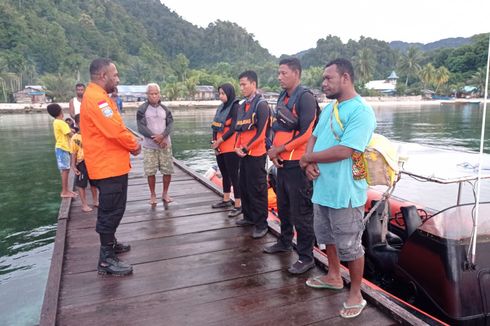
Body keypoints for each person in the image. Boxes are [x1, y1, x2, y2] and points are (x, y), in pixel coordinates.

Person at [299, 58, 376, 319]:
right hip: (323, 187)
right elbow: (314, 137)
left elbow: (346, 150)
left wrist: (309, 159)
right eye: (323, 78)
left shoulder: (361, 112)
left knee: (351, 245)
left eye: (328, 78)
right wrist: (307, 160)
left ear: (345, 78)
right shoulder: (331, 108)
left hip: (346, 191)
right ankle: (333, 276)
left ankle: (356, 293)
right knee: (327, 236)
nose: (324, 83)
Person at [80, 58, 141, 276]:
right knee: (110, 211)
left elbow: (114, 127)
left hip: (110, 165)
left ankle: (111, 243)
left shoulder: (98, 97)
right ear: (103, 76)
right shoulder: (97, 100)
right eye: (115, 75)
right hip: (107, 167)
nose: (118, 78)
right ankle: (106, 260)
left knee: (115, 207)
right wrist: (134, 145)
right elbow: (115, 130)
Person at [264, 57, 317, 274]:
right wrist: (272, 150)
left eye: (283, 73)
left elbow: (306, 134)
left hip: (298, 165)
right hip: (281, 164)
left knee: (301, 212)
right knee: (284, 207)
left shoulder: (305, 98)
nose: (279, 77)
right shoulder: (281, 97)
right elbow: (274, 127)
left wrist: (280, 149)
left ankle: (306, 257)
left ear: (296, 73)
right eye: (279, 73)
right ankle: (285, 242)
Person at [234, 70, 270, 239]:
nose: (241, 87)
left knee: (257, 188)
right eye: (240, 84)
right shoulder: (242, 105)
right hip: (242, 153)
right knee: (244, 186)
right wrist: (237, 147)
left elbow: (261, 133)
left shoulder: (261, 105)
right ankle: (248, 217)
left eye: (244, 84)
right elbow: (239, 131)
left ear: (254, 84)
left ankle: (261, 224)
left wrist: (246, 149)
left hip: (256, 154)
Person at [136, 83, 174, 205]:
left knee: (167, 171)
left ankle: (165, 193)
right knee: (150, 172)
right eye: (151, 94)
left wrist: (162, 136)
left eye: (156, 93)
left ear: (159, 94)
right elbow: (141, 127)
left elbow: (170, 124)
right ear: (147, 95)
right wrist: (155, 138)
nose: (154, 96)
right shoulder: (142, 109)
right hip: (149, 146)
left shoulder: (165, 109)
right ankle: (152, 194)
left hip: (165, 145)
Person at [210, 83, 242, 217]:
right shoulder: (221, 108)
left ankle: (239, 204)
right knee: (224, 173)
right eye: (219, 93)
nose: (221, 96)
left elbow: (234, 127)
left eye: (223, 93)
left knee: (234, 175)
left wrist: (220, 141)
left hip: (230, 147)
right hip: (220, 146)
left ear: (229, 93)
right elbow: (215, 126)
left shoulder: (235, 107)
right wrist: (214, 142)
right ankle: (226, 199)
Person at [47, 103, 77, 198]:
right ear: (60, 111)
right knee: (65, 170)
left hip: (61, 148)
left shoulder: (57, 122)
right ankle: (64, 192)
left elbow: (68, 131)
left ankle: (67, 190)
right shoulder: (61, 123)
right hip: (63, 148)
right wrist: (80, 140)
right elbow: (70, 135)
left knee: (66, 170)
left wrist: (71, 130)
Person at [70, 114, 99, 212]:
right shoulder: (75, 138)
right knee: (81, 184)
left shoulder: (92, 135)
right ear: (77, 124)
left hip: (93, 161)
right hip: (82, 163)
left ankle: (95, 201)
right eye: (81, 123)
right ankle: (84, 204)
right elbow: (73, 153)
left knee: (94, 183)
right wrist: (73, 166)